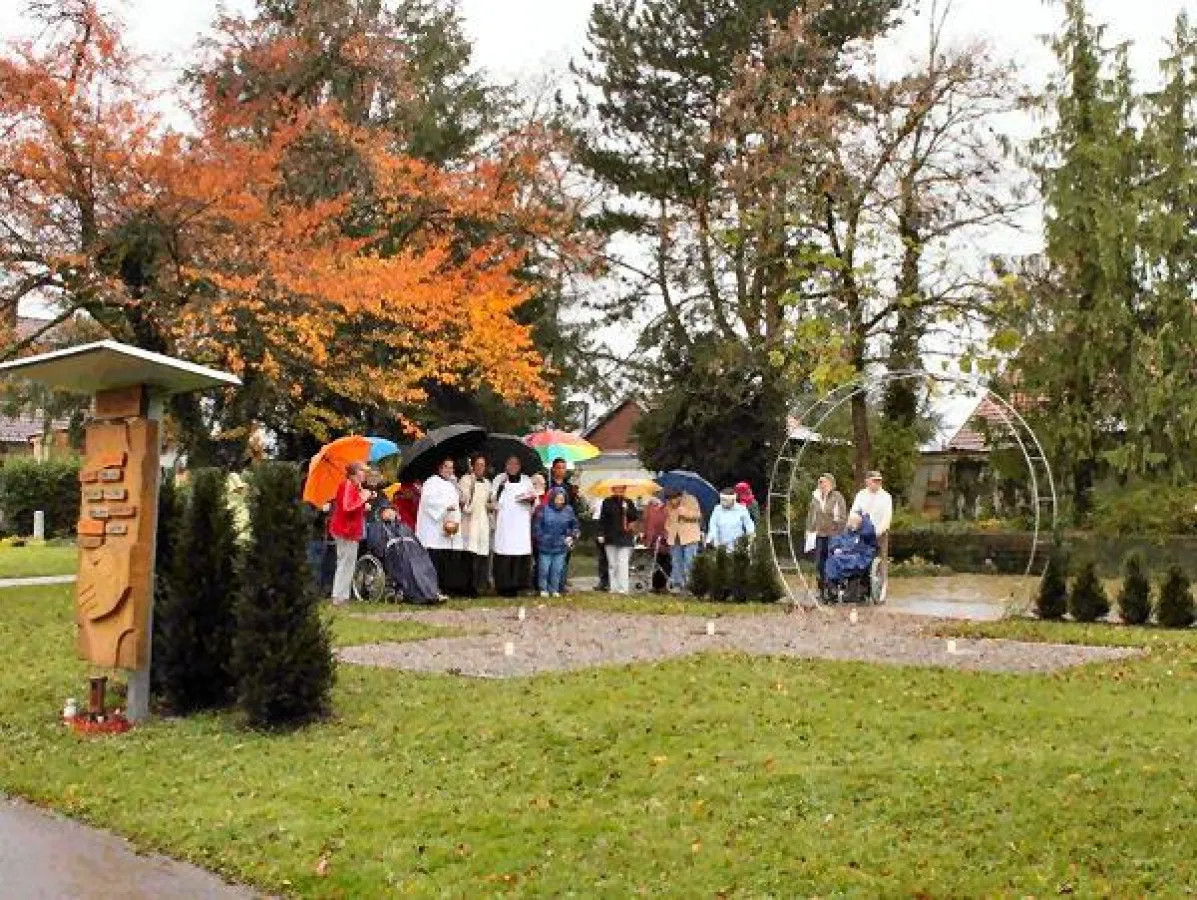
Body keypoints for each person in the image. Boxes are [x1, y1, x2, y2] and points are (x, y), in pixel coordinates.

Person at [365, 501, 440, 604]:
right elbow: (376, 546)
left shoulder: (403, 526)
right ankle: (421, 595)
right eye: (387, 511)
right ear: (380, 513)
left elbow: (416, 542)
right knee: (409, 567)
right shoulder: (377, 527)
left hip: (413, 552)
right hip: (394, 555)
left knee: (425, 564)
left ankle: (432, 592)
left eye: (392, 511)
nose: (391, 513)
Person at [416, 458, 464, 597]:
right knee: (434, 560)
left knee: (445, 561)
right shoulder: (431, 482)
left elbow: (456, 500)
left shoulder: (452, 484)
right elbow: (428, 501)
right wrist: (444, 507)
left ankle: (444, 588)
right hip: (432, 530)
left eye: (452, 467)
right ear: (440, 468)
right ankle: (431, 589)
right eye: (447, 467)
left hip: (447, 529)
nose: (450, 470)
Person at [328, 461, 374, 605]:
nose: (364, 474)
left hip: (348, 530)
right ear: (355, 473)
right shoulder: (348, 485)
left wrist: (363, 504)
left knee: (347, 563)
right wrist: (363, 498)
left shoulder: (353, 486)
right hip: (345, 530)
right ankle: (338, 597)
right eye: (362, 471)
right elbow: (347, 507)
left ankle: (342, 596)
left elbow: (351, 506)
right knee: (345, 563)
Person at [491, 456, 537, 597]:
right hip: (505, 521)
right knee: (504, 553)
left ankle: (519, 585)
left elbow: (534, 498)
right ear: (505, 465)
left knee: (519, 553)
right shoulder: (499, 479)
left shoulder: (526, 480)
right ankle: (503, 586)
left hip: (521, 521)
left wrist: (530, 499)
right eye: (510, 463)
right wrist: (500, 487)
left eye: (516, 463)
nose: (513, 466)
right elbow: (492, 498)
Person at [534, 487, 581, 597]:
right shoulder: (544, 509)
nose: (560, 501)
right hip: (545, 545)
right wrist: (541, 538)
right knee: (544, 569)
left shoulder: (569, 510)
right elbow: (537, 526)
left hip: (561, 545)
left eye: (562, 498)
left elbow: (575, 525)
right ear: (552, 498)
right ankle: (543, 589)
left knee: (557, 569)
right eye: (558, 498)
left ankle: (554, 589)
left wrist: (571, 535)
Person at [806, 473, 847, 593]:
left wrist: (838, 533)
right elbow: (811, 516)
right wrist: (809, 531)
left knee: (831, 562)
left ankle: (832, 589)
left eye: (823, 482)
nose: (820, 484)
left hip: (833, 535)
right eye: (819, 482)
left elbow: (841, 517)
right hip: (819, 535)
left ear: (830, 483)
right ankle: (822, 589)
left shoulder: (837, 496)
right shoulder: (816, 498)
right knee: (819, 563)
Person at [458, 454, 492, 596]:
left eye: (482, 465)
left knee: (481, 555)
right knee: (468, 555)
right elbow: (464, 503)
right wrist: (470, 490)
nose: (480, 468)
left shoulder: (487, 483)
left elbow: (487, 501)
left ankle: (479, 584)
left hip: (482, 521)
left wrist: (491, 505)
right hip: (469, 522)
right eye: (478, 465)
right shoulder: (465, 480)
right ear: (473, 466)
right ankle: (467, 586)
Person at [851, 470, 893, 579]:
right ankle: (863, 583)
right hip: (863, 532)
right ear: (867, 481)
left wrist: (878, 532)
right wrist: (853, 525)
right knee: (862, 557)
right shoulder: (861, 494)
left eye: (879, 481)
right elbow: (854, 512)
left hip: (880, 532)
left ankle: (881, 585)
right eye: (874, 480)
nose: (877, 483)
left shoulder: (886, 497)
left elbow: (887, 517)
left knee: (880, 558)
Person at [598, 484, 639, 594]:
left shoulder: (629, 502)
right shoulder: (607, 502)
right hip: (610, 536)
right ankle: (614, 587)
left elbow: (635, 517)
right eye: (617, 488)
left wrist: (626, 510)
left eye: (622, 488)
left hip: (625, 537)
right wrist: (601, 534)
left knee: (623, 563)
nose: (619, 490)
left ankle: (623, 588)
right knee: (612, 564)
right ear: (612, 489)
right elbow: (603, 519)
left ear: (625, 489)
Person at [664, 489, 703, 591]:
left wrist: (684, 512)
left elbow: (698, 516)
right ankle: (678, 585)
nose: (672, 502)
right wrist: (668, 528)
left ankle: (691, 584)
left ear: (679, 496)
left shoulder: (691, 500)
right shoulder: (668, 505)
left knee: (689, 561)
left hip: (690, 536)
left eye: (674, 499)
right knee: (676, 561)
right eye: (670, 499)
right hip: (674, 537)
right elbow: (668, 519)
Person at [640, 495, 671, 593]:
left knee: (665, 562)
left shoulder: (667, 509)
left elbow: (666, 522)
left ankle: (663, 585)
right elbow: (646, 522)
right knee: (655, 562)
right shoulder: (649, 508)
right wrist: (645, 535)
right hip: (653, 539)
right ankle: (656, 585)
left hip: (664, 539)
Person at [592, 499, 609, 591]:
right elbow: (594, 511)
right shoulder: (599, 497)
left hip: (610, 525)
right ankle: (603, 581)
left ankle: (609, 581)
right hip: (599, 522)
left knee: (609, 556)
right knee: (602, 556)